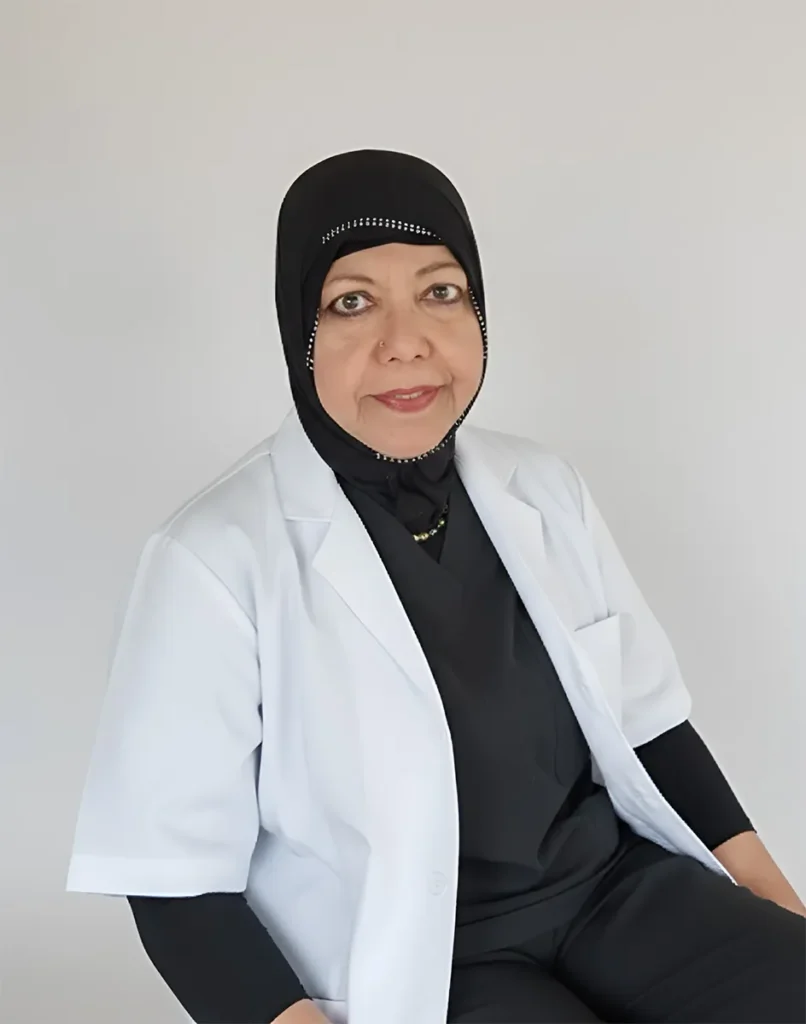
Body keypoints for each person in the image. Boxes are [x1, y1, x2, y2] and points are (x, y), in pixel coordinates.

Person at [66, 150, 805, 1024]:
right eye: (351, 302)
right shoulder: (212, 557)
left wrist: (777, 910)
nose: (406, 341)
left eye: (440, 292)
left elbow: (650, 723)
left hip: (616, 893)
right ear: (296, 329)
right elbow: (174, 885)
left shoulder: (542, 486)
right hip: (426, 961)